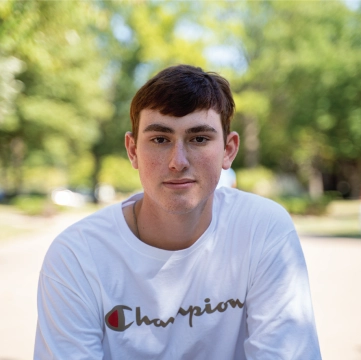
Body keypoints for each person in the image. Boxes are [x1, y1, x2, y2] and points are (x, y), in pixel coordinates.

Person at [34, 65, 321, 359]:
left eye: (199, 139)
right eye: (160, 139)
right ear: (133, 151)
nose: (177, 161)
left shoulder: (262, 229)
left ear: (228, 150)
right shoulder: (77, 256)